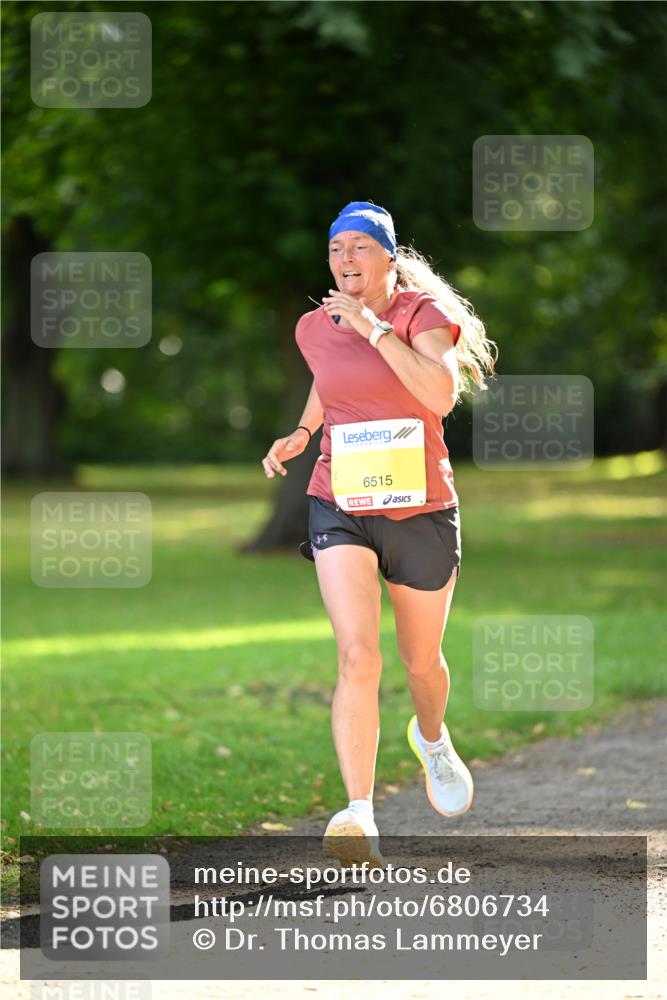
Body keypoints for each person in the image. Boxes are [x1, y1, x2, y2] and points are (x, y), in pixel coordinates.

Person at [262, 201, 496, 867]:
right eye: (335, 248)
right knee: (358, 658)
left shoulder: (422, 315)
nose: (345, 259)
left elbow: (438, 395)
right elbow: (328, 382)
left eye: (360, 247)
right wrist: (303, 432)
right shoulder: (314, 326)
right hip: (339, 501)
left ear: (389, 258)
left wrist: (373, 329)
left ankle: (431, 739)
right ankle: (358, 813)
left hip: (420, 507)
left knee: (421, 662)